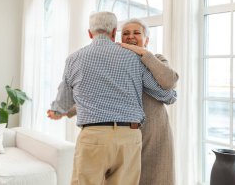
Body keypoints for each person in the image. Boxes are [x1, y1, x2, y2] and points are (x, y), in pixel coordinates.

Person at [48, 11, 177, 185]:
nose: (131, 37)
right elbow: (166, 95)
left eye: (137, 33)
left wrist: (58, 109)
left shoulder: (74, 59)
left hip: (117, 136)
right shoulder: (132, 59)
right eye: (126, 33)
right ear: (115, 32)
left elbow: (70, 95)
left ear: (89, 33)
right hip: (130, 136)